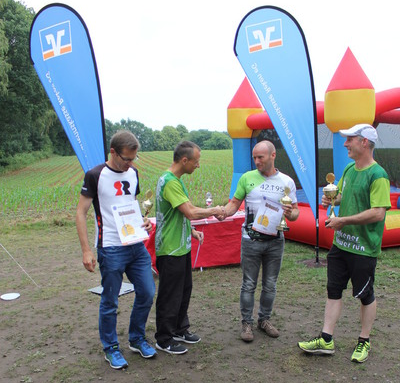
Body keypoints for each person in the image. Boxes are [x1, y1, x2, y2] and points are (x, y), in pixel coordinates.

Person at [298, 123, 391, 363]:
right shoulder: (350, 168)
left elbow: (378, 213)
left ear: (364, 142)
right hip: (341, 245)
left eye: (350, 139)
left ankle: (364, 340)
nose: (345, 143)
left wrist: (344, 220)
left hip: (364, 249)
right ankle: (326, 339)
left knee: (365, 294)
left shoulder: (378, 175)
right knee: (333, 290)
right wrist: (332, 198)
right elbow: (341, 195)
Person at [76, 130, 156, 370]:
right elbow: (81, 212)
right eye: (126, 158)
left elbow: (130, 205)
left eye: (133, 158)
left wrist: (143, 220)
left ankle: (136, 339)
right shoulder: (95, 175)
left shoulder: (133, 173)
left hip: (136, 245)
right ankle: (110, 347)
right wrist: (86, 250)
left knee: (147, 292)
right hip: (111, 247)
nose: (130, 163)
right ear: (113, 152)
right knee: (110, 300)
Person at [219, 140, 299, 342]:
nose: (256, 161)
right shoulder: (247, 178)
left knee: (270, 284)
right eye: (254, 157)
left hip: (275, 241)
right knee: (248, 284)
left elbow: (295, 212)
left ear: (273, 155)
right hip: (251, 240)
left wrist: (291, 214)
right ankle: (246, 323)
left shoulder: (287, 182)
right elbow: (234, 204)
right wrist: (223, 213)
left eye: (260, 157)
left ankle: (264, 320)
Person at [155, 140, 224, 355]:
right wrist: (215, 210)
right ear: (184, 160)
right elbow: (191, 212)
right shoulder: (169, 182)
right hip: (170, 248)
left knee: (184, 290)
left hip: (181, 246)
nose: (198, 165)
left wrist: (192, 231)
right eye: (196, 161)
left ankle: (179, 329)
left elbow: (181, 212)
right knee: (170, 294)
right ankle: (164, 339)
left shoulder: (176, 180)